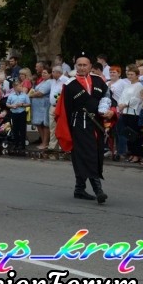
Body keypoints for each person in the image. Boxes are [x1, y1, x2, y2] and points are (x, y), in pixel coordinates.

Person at [55, 52, 110, 204]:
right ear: (75, 66)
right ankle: (98, 191)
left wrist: (110, 112)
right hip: (79, 124)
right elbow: (64, 108)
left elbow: (108, 97)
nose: (82, 67)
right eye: (79, 65)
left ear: (91, 66)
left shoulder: (99, 81)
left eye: (85, 65)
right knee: (87, 155)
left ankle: (79, 189)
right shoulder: (69, 84)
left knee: (94, 154)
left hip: (96, 124)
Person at [29, 66, 52, 152]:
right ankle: (43, 141)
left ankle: (45, 142)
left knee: (45, 124)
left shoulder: (49, 82)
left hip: (44, 106)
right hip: (38, 107)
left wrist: (30, 95)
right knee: (39, 124)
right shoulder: (42, 81)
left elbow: (40, 93)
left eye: (45, 73)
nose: (43, 74)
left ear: (50, 74)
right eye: (42, 73)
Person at [6, 81, 30, 152]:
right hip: (14, 113)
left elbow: (29, 104)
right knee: (15, 129)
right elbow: (7, 104)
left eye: (21, 86)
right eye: (19, 86)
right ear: (15, 87)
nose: (21, 88)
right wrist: (11, 106)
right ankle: (16, 144)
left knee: (22, 129)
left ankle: (22, 145)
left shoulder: (25, 95)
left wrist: (22, 104)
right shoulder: (11, 95)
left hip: (22, 113)